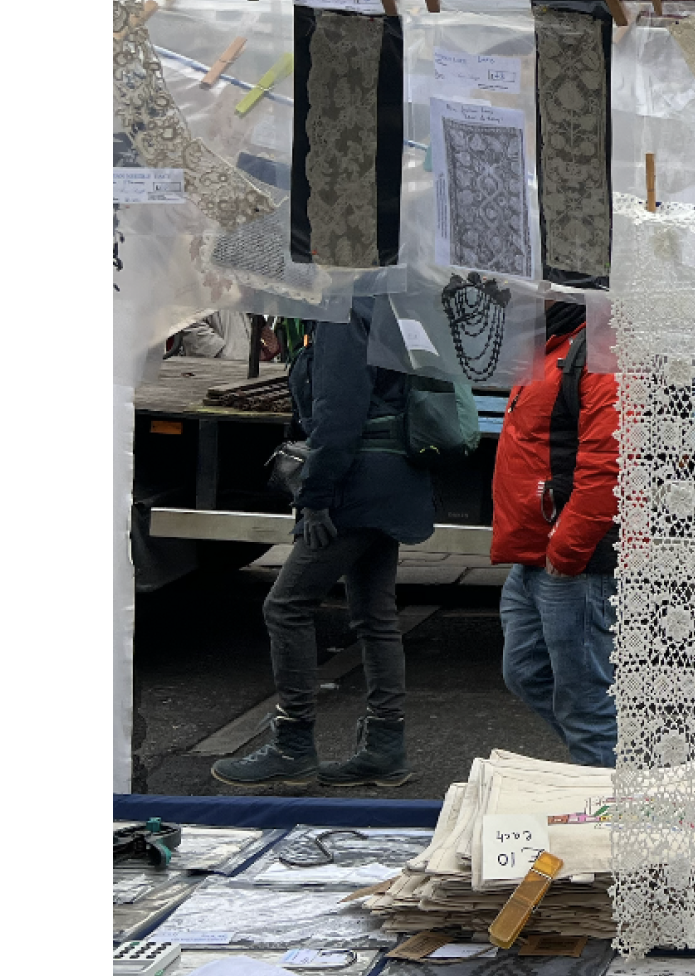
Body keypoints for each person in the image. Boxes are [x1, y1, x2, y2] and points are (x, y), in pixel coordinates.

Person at [222, 279, 440, 788]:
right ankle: (386, 748)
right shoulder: (394, 303)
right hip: (395, 476)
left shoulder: (344, 314)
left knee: (286, 605)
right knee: (375, 615)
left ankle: (293, 743)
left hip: (355, 481)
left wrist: (314, 497)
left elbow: (338, 416)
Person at [489, 299, 618, 768]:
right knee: (525, 672)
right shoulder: (553, 342)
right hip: (536, 551)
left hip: (571, 561)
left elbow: (609, 462)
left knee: (586, 706)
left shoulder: (600, 348)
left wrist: (568, 550)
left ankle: (607, 813)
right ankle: (611, 769)